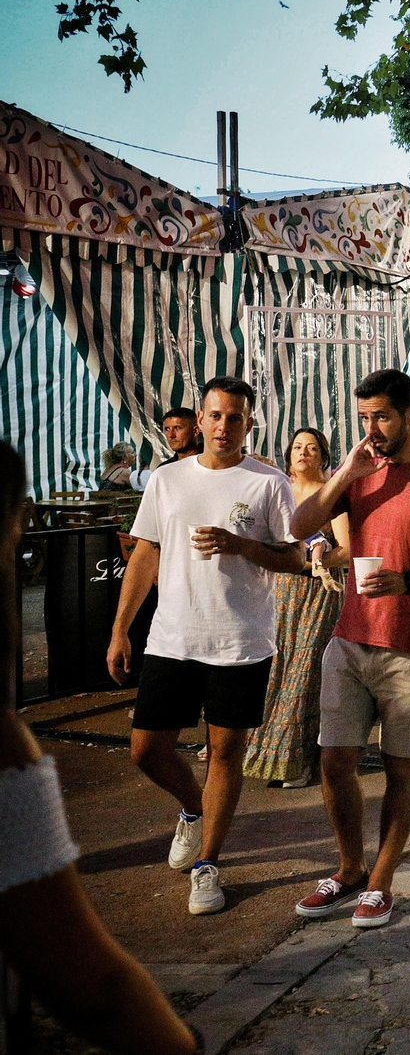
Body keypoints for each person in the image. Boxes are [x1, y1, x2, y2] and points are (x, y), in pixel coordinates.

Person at [1, 440, 201, 1055]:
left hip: (226, 643)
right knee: (146, 747)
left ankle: (205, 843)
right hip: (170, 639)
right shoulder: (2, 752)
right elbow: (86, 983)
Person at [106, 377, 303, 916]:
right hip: (171, 637)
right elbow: (145, 554)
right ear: (200, 419)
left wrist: (241, 545)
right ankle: (194, 809)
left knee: (225, 752)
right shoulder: (167, 480)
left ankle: (207, 865)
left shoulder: (269, 483)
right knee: (146, 750)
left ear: (248, 422)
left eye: (234, 417)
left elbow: (296, 558)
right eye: (215, 416)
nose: (223, 426)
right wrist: (122, 627)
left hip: (240, 641)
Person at [289, 368, 410, 929]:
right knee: (334, 759)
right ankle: (349, 868)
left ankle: (381, 881)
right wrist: (346, 468)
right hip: (349, 638)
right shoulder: (358, 473)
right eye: (364, 417)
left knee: (401, 766)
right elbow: (301, 524)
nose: (371, 427)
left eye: (382, 417)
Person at [243, 427, 350, 788]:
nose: (303, 453)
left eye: (312, 447)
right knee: (277, 669)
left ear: (323, 456)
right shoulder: (278, 490)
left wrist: (311, 561)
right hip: (280, 591)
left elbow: (349, 548)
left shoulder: (330, 494)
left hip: (320, 591)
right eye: (297, 447)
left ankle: (298, 762)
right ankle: (267, 754)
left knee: (304, 673)